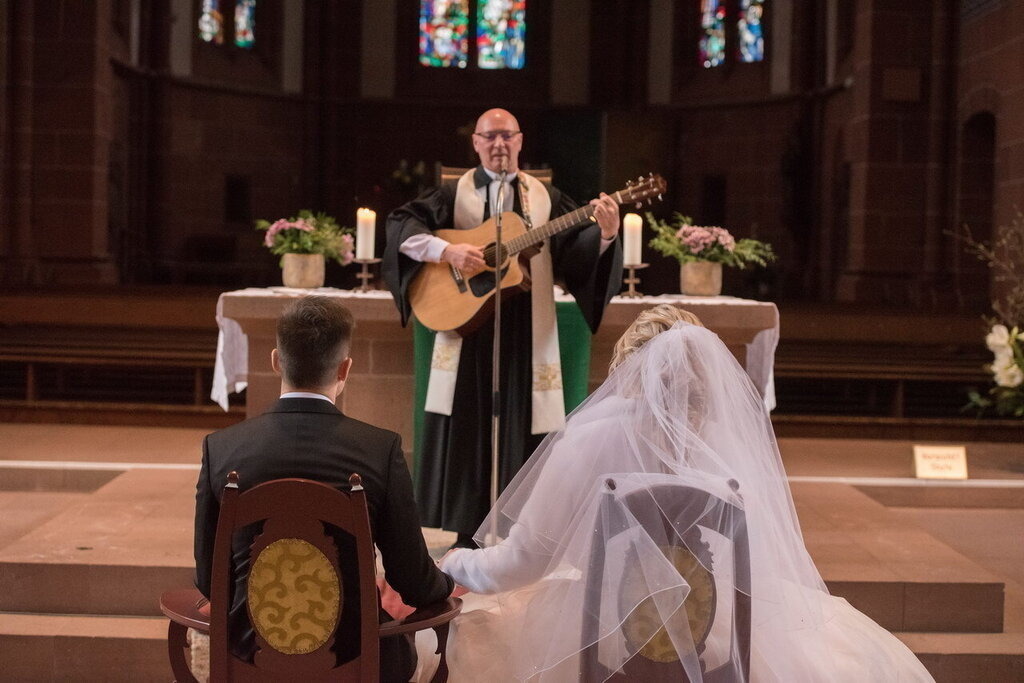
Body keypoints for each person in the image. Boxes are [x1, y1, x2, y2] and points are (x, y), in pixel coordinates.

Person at [437, 304, 935, 682]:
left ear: (628, 368)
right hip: (715, 633)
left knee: (478, 633)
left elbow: (522, 564)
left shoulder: (587, 438)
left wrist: (452, 562)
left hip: (604, 633)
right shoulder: (722, 445)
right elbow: (758, 569)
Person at [383, 108, 623, 548]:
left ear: (520, 142)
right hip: (468, 327)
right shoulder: (453, 193)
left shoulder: (546, 197)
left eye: (507, 137)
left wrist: (605, 236)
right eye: (490, 137)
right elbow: (401, 226)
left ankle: (522, 527)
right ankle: (463, 529)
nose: (499, 145)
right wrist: (447, 252)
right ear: (475, 142)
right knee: (465, 419)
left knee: (525, 415)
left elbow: (576, 253)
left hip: (526, 325)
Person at [193, 296, 453, 682]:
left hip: (250, 660)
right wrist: (445, 580)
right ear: (345, 367)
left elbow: (208, 577)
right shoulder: (379, 449)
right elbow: (413, 582)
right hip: (362, 663)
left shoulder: (223, 448)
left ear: (276, 360)